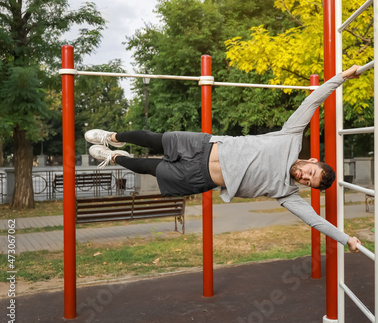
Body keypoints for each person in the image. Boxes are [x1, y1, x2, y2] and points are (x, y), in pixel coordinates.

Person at [86, 65, 363, 252]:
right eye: (309, 172)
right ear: (312, 160)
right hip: (204, 146)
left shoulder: (287, 193)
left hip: (200, 177)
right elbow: (312, 101)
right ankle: (114, 137)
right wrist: (343, 77)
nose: (303, 177)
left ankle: (115, 158)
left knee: (148, 167)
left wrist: (346, 238)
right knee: (153, 138)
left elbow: (315, 220)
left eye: (308, 183)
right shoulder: (291, 137)